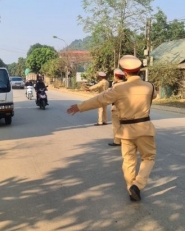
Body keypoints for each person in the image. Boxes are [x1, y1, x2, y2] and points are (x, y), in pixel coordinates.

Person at [67, 55, 157, 202]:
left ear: (125, 72)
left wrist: (79, 107)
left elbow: (99, 99)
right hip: (144, 129)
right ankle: (138, 185)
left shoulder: (118, 88)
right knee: (149, 158)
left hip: (126, 131)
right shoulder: (149, 86)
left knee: (128, 161)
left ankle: (131, 189)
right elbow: (153, 96)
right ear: (139, 70)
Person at [109, 68, 126, 146]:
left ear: (116, 76)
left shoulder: (115, 86)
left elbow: (111, 97)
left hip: (116, 108)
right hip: (126, 108)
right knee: (124, 125)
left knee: (116, 125)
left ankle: (117, 141)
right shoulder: (127, 85)